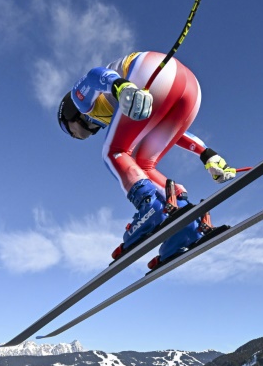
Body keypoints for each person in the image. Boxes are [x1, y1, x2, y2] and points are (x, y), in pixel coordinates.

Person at [57, 51, 236, 266]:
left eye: (73, 131)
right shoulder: (117, 108)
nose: (80, 136)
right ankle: (187, 227)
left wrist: (120, 86)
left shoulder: (81, 101)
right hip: (190, 91)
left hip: (152, 71)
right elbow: (171, 129)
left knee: (114, 151)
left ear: (69, 115)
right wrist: (206, 153)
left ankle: (149, 208)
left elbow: (95, 75)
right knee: (143, 164)